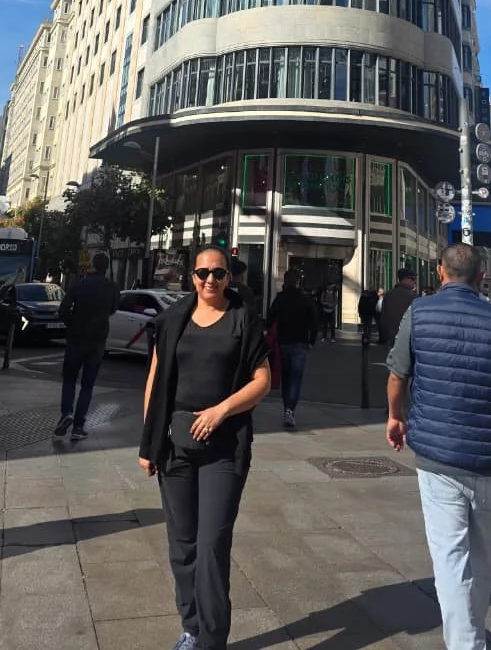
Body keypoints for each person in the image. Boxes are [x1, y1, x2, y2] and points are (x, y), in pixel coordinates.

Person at [386, 243, 491, 650]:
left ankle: (467, 643)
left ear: (440, 272)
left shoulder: (419, 313)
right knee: (484, 552)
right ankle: (472, 630)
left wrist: (395, 416)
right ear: (482, 277)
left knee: (450, 558)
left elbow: (398, 375)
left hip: (438, 457)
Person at [139, 249, 271, 650]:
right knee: (182, 544)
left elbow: (262, 381)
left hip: (223, 446)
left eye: (218, 272)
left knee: (212, 544)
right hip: (175, 447)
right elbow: (155, 379)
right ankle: (191, 628)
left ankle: (212, 639)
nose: (209, 279)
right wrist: (149, 442)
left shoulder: (243, 319)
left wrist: (221, 410)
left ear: (229, 277)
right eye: (202, 272)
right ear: (192, 276)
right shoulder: (172, 319)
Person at [55, 253, 119, 441]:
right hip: (97, 340)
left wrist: (72, 323)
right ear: (106, 267)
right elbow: (114, 309)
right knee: (87, 385)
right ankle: (78, 426)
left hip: (76, 338)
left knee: (69, 379)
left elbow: (63, 310)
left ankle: (66, 413)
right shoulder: (112, 288)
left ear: (92, 266)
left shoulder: (79, 284)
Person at [267, 270, 317, 429]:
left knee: (286, 377)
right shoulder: (305, 299)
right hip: (300, 343)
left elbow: (270, 317)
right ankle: (290, 409)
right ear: (297, 282)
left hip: (283, 342)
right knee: (296, 378)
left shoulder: (280, 298)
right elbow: (313, 321)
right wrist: (311, 341)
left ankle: (286, 408)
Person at [380, 268, 417, 347]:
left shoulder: (389, 294)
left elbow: (383, 317)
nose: (415, 281)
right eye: (413, 278)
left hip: (393, 337)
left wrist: (387, 335)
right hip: (409, 338)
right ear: (405, 279)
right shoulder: (413, 297)